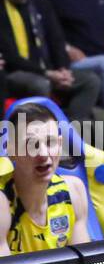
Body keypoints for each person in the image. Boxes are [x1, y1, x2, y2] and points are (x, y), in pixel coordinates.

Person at [0, 0, 100, 122]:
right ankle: (44, 134)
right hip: (17, 74)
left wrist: (63, 70)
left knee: (91, 81)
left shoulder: (42, 5)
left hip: (50, 71)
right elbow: (10, 57)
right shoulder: (1, 10)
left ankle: (71, 129)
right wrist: (47, 74)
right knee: (41, 85)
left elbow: (57, 41)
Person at [0, 104, 90, 255]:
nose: (43, 153)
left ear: (60, 145)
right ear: (11, 151)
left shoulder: (73, 191)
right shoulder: (2, 202)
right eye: (31, 145)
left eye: (50, 142)